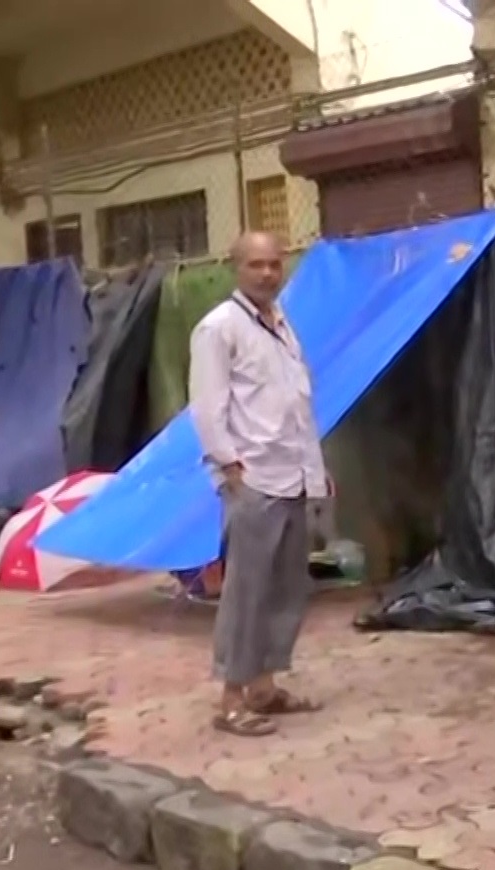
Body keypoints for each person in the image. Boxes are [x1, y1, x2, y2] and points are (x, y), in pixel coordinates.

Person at [187, 231, 327, 737]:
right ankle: (230, 699)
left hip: (293, 476)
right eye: (256, 265)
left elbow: (296, 404)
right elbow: (207, 408)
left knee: (286, 588)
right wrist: (229, 467)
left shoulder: (284, 326)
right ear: (236, 268)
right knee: (246, 592)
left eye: (274, 264)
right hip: (254, 480)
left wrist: (315, 467)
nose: (267, 273)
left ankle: (264, 688)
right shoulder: (218, 329)